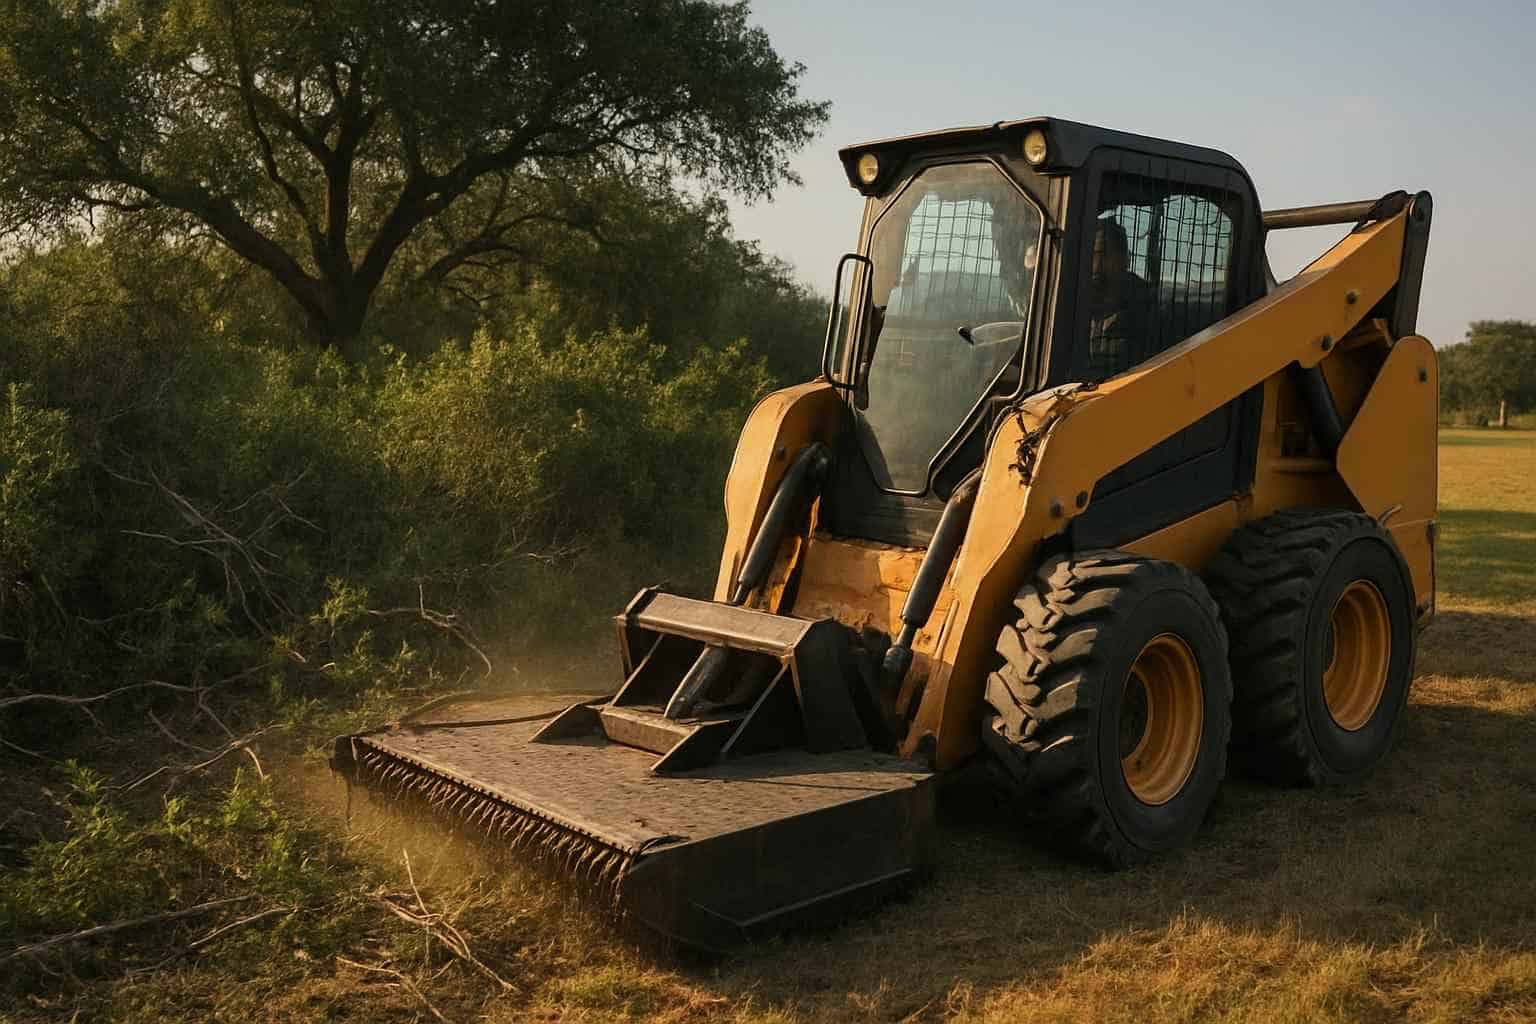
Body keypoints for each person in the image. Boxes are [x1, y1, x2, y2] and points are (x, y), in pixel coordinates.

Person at [1086, 218, 1156, 379]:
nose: (1095, 265)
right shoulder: (1074, 303)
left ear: (1124, 259)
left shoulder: (1146, 311)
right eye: (1090, 255)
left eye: (1101, 255)